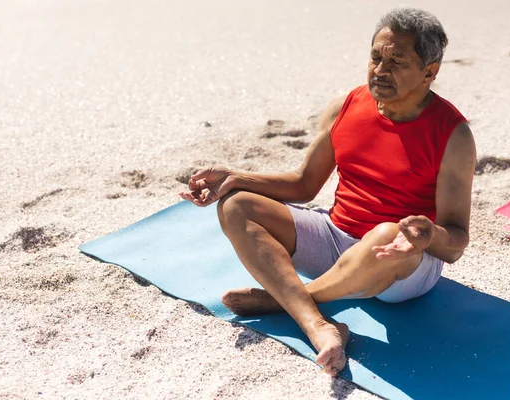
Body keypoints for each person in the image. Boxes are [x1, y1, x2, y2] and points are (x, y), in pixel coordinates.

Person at [180, 7, 476, 377]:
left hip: (401, 262)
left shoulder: (453, 134)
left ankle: (286, 300)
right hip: (334, 238)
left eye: (396, 62)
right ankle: (318, 324)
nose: (380, 71)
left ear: (429, 72)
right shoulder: (345, 106)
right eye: (375, 57)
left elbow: (457, 242)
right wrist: (236, 177)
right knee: (236, 205)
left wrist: (426, 234)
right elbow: (304, 185)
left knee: (387, 232)